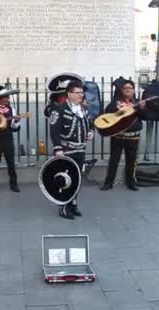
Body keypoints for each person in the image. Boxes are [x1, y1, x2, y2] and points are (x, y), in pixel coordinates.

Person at [100, 78, 159, 191]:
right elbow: (107, 114)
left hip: (133, 136)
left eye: (130, 88)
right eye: (125, 88)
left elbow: (145, 117)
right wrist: (118, 109)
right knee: (114, 160)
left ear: (133, 90)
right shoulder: (115, 102)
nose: (128, 90)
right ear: (121, 90)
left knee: (131, 161)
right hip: (118, 137)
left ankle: (131, 182)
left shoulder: (137, 103)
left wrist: (142, 108)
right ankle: (108, 183)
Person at [49, 80, 93, 220]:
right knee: (64, 179)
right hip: (66, 150)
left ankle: (73, 205)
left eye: (82, 92)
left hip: (80, 149)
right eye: (78, 92)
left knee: (77, 178)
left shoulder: (84, 109)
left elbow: (90, 123)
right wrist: (57, 149)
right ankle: (63, 207)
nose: (81, 95)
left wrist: (91, 131)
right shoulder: (59, 109)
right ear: (69, 94)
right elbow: (54, 130)